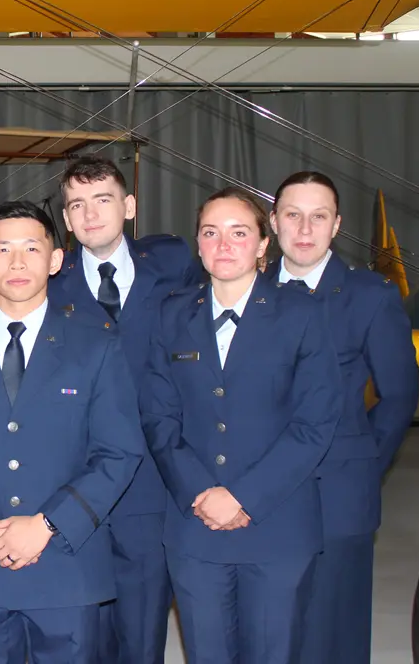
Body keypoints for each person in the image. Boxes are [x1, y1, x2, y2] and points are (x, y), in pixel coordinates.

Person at [0, 200, 146, 663]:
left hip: (66, 562)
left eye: (31, 248)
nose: (16, 262)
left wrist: (47, 524)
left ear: (55, 260)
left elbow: (118, 451)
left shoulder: (96, 345)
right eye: (3, 250)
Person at [142, 186, 342, 664]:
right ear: (198, 243)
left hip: (277, 524)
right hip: (196, 524)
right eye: (211, 233)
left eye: (238, 233)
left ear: (262, 243)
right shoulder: (171, 314)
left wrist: (244, 496)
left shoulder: (301, 314)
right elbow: (158, 416)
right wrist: (201, 492)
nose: (224, 244)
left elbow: (315, 422)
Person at [51, 155, 199, 664]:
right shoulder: (49, 285)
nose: (91, 214)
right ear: (66, 219)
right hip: (73, 485)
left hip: (152, 485)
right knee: (79, 637)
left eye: (103, 199)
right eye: (77, 205)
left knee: (142, 634)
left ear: (129, 206)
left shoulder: (175, 268)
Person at [267, 171, 419, 664]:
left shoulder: (370, 296)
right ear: (273, 221)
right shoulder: (244, 289)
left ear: (336, 225)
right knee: (267, 626)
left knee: (334, 633)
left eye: (319, 217)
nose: (304, 229)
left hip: (337, 493)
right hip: (256, 493)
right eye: (293, 215)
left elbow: (399, 395)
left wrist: (362, 466)